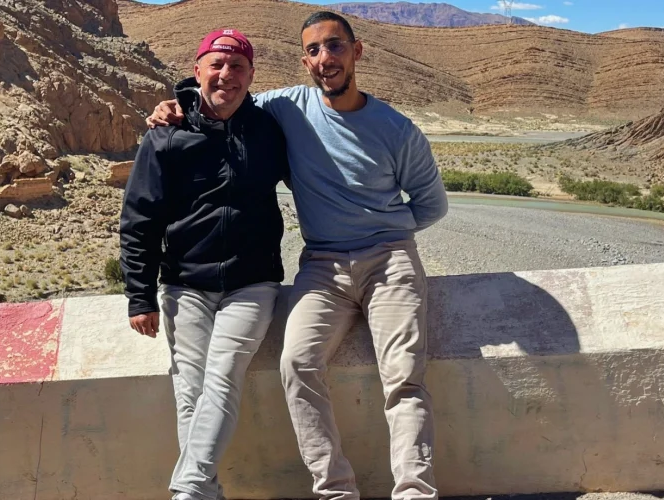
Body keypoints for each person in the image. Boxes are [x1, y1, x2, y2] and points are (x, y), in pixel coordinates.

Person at [146, 12, 448, 500]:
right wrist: (177, 102)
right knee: (297, 364)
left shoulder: (397, 130)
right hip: (323, 266)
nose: (324, 59)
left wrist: (383, 231)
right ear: (304, 59)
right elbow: (224, 93)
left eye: (335, 47)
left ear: (357, 51)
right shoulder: (289, 105)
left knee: (403, 378)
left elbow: (432, 205)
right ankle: (335, 490)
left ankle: (414, 491)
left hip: (389, 260)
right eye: (313, 50)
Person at [120, 29, 290, 500]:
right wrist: (139, 294)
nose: (226, 75)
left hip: (252, 282)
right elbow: (139, 219)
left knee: (222, 376)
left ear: (251, 75)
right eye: (216, 65)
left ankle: (189, 490)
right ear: (197, 71)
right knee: (190, 392)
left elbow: (317, 173)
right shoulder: (167, 134)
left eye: (237, 67)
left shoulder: (269, 130)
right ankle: (203, 492)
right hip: (184, 284)